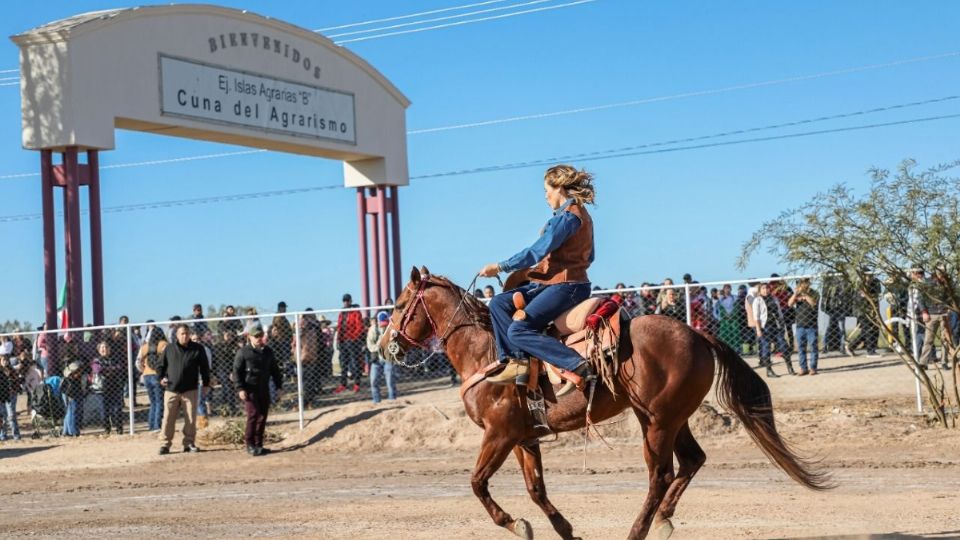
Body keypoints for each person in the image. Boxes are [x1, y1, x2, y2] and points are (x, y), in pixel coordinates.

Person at [480, 164, 596, 394]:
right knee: (497, 303)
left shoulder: (568, 218)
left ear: (559, 188)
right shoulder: (574, 216)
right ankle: (517, 363)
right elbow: (590, 255)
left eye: (546, 190)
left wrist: (501, 266)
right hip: (556, 283)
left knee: (518, 330)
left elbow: (537, 251)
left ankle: (577, 364)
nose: (545, 196)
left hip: (568, 286)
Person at [157, 325, 211, 455]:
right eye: (182, 333)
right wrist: (161, 378)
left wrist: (206, 384)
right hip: (172, 389)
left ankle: (189, 443)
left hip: (190, 390)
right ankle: (165, 445)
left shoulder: (198, 349)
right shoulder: (169, 349)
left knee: (191, 419)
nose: (184, 336)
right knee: (168, 418)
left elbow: (204, 367)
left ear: (190, 334)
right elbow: (160, 366)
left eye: (187, 333)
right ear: (176, 335)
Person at [233, 326, 282, 456]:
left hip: (263, 388)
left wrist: (278, 387)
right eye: (256, 336)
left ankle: (258, 444)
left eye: (261, 336)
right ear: (249, 337)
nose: (259, 338)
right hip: (249, 389)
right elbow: (236, 372)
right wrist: (240, 388)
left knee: (263, 416)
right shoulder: (243, 352)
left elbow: (275, 370)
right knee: (253, 414)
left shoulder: (268, 352)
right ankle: (249, 444)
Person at [753, 283, 790, 377]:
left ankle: (790, 367)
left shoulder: (774, 298)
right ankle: (769, 371)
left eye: (767, 288)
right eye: (763, 288)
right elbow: (756, 317)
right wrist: (758, 330)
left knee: (783, 345)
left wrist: (782, 325)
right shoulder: (757, 300)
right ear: (760, 290)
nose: (766, 290)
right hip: (765, 327)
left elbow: (779, 312)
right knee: (766, 348)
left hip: (776, 326)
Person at [137, 322, 167, 432]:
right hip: (158, 375)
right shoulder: (163, 344)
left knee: (153, 402)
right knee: (159, 401)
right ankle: (157, 426)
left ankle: (151, 425)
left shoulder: (145, 347)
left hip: (146, 375)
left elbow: (138, 362)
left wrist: (143, 370)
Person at [789, 278, 820, 376]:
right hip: (800, 325)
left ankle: (813, 368)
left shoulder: (815, 293)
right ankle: (803, 368)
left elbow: (814, 303)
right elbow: (789, 304)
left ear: (807, 284)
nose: (801, 286)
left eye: (802, 284)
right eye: (799, 284)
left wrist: (805, 296)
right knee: (801, 348)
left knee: (813, 347)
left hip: (812, 325)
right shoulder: (797, 294)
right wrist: (795, 294)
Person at [335, 294, 365, 393]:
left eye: (347, 300)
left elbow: (359, 326)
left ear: (351, 301)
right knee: (343, 364)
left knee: (355, 363)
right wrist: (338, 340)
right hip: (343, 341)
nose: (346, 302)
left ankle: (357, 384)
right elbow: (339, 327)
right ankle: (343, 384)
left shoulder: (355, 312)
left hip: (352, 341)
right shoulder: (342, 313)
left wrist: (353, 338)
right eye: (344, 301)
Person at [366, 311, 397, 403]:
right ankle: (376, 400)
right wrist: (379, 346)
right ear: (377, 321)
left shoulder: (392, 329)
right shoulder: (373, 330)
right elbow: (370, 346)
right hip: (376, 359)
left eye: (385, 324)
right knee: (374, 380)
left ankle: (392, 399)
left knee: (390, 380)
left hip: (387, 358)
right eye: (382, 323)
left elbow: (394, 344)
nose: (383, 326)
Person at [0, 355, 22, 440]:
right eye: (3, 360)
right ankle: (2, 435)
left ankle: (16, 435)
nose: (5, 362)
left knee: (11, 416)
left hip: (11, 395)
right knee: (2, 416)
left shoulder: (12, 370)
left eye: (6, 360)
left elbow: (17, 382)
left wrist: (14, 388)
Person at [61, 361, 84, 437]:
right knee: (72, 411)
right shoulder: (69, 380)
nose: (79, 374)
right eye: (77, 372)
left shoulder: (76, 380)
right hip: (70, 393)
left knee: (70, 411)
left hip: (74, 392)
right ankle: (73, 431)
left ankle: (66, 431)